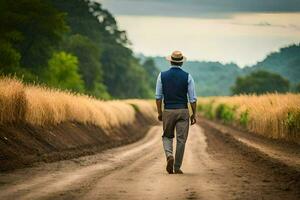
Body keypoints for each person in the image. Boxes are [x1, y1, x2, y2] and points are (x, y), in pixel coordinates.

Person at [155, 50, 197, 174]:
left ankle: (169, 156)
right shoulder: (188, 76)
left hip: (168, 110)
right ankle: (177, 167)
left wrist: (160, 112)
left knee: (167, 136)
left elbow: (158, 97)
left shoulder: (162, 75)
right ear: (181, 63)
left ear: (171, 61)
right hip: (183, 111)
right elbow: (192, 99)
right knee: (181, 140)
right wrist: (193, 114)